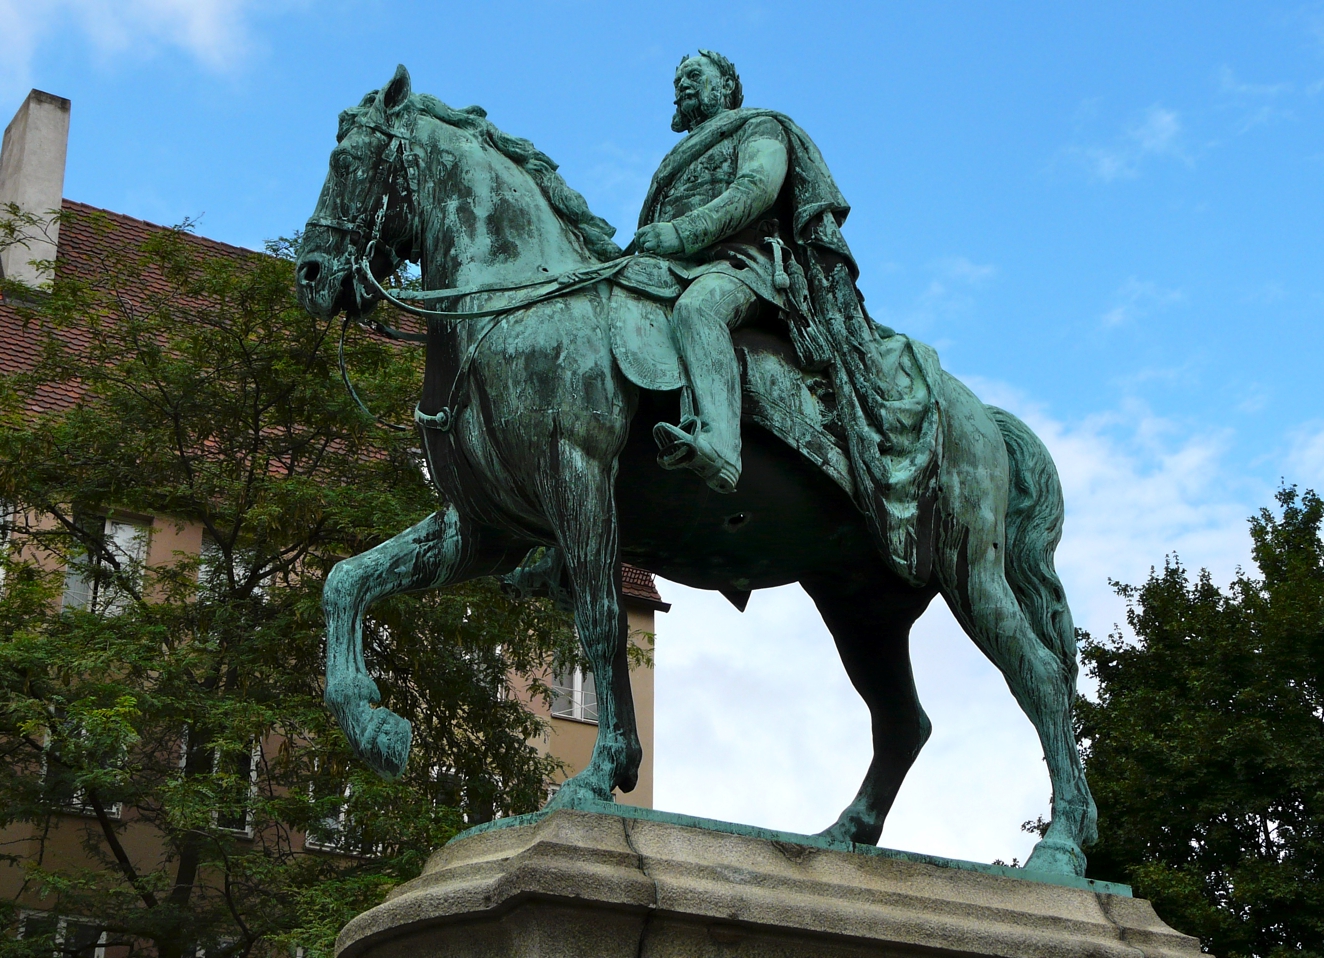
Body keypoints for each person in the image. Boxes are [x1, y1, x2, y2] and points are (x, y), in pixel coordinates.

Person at [633, 50, 791, 495]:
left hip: (744, 265)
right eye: (677, 79)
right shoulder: (672, 162)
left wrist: (682, 233)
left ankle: (720, 444)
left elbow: (757, 186)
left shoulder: (760, 125)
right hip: (672, 266)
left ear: (725, 87)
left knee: (698, 311)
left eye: (694, 75)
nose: (681, 84)